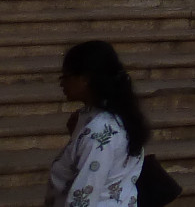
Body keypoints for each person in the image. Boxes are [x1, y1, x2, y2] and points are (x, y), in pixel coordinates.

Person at [46, 41, 149, 207]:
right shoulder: (102, 117)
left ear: (85, 79)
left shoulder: (100, 132)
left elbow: (83, 198)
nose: (61, 83)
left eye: (65, 77)